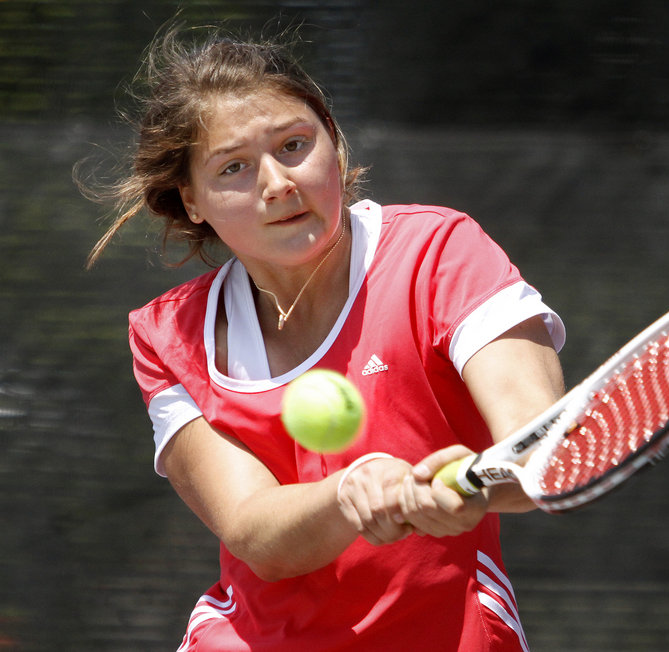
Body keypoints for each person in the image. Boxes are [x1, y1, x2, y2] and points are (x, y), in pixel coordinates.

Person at [84, 25, 566, 652]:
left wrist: (471, 484)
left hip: (451, 631)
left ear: (333, 146)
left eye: (293, 145)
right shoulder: (168, 336)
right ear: (192, 201)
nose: (278, 183)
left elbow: (539, 445)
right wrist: (348, 494)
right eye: (233, 166)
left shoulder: (440, 253)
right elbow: (258, 536)